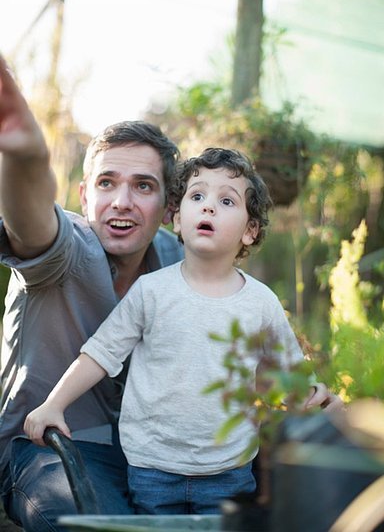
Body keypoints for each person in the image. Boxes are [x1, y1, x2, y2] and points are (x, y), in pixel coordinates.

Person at [24, 147, 343, 516]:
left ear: (250, 231)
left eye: (226, 200)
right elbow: (100, 353)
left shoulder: (261, 303)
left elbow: (287, 377)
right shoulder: (152, 292)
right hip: (151, 469)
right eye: (197, 196)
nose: (208, 207)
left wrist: (315, 399)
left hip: (230, 472)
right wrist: (54, 404)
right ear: (176, 219)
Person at [0, 55, 184, 531]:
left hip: (147, 452)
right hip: (44, 451)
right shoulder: (67, 249)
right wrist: (25, 156)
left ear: (168, 208)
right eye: (107, 183)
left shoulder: (176, 262)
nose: (121, 202)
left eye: (143, 186)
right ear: (84, 196)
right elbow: (31, 218)